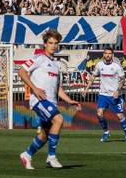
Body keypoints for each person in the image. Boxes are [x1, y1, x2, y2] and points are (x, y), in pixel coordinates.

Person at [18, 29, 81, 169]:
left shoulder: (56, 65)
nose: (53, 45)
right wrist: (34, 88)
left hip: (51, 102)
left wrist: (69, 100)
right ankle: (51, 157)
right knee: (58, 119)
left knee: (45, 134)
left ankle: (27, 154)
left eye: (55, 43)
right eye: (50, 43)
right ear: (45, 44)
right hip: (39, 100)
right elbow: (21, 71)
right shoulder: (38, 58)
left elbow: (58, 88)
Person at [82, 48, 126, 143]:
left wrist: (118, 90)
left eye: (110, 53)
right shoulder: (99, 65)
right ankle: (106, 132)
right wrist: (86, 89)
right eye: (106, 53)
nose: (108, 55)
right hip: (103, 94)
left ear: (112, 55)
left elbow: (122, 79)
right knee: (99, 113)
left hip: (114, 94)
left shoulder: (117, 66)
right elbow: (93, 77)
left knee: (120, 116)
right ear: (103, 54)